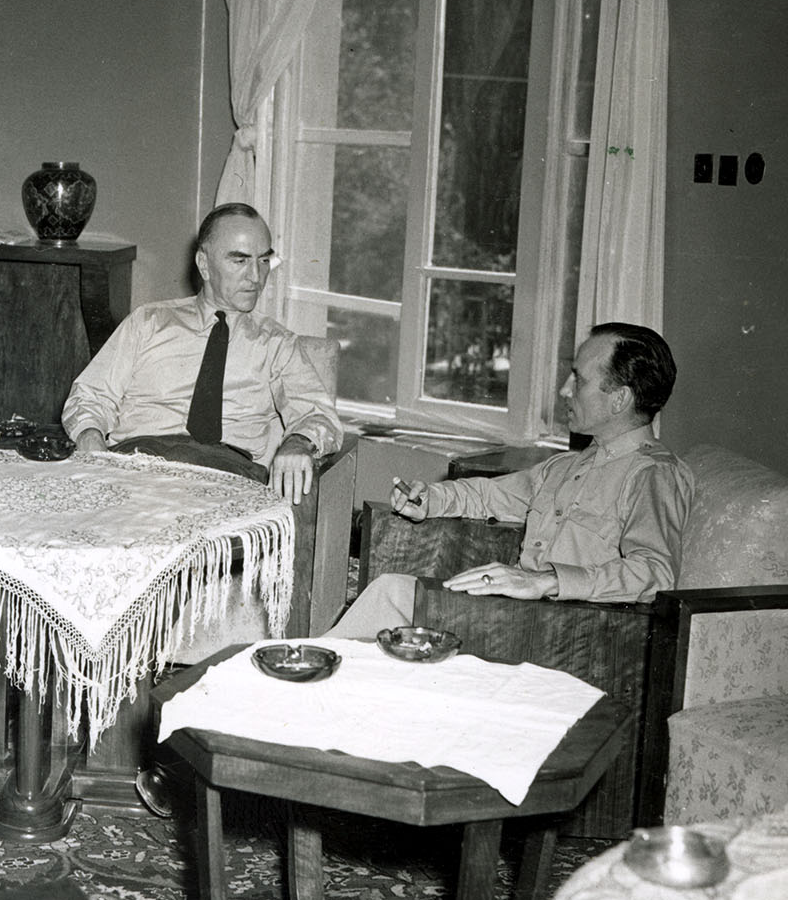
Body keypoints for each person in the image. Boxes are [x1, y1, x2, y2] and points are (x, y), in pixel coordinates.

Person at [326, 322, 694, 638]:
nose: (565, 390)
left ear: (620, 399)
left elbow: (656, 573)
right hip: (521, 617)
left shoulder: (653, 474)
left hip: (572, 630)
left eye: (578, 379)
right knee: (391, 599)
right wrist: (431, 499)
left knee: (394, 596)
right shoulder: (567, 466)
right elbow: (488, 495)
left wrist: (546, 581)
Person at [62, 202, 342, 503]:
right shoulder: (149, 322)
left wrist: (299, 443)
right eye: (240, 261)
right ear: (204, 264)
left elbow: (319, 416)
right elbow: (90, 395)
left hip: (225, 481)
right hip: (135, 469)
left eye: (263, 261)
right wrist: (89, 434)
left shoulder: (278, 344)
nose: (256, 277)